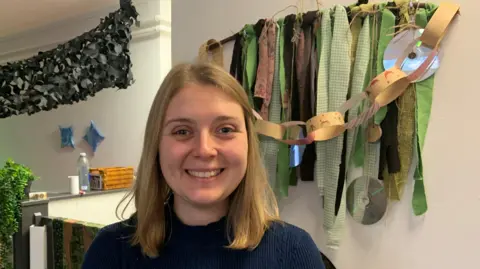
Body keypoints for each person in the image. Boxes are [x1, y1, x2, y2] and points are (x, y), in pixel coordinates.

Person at [82, 62, 325, 269]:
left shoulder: (294, 253)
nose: (204, 150)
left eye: (225, 129)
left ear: (249, 144)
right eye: (182, 131)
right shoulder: (111, 252)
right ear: (156, 146)